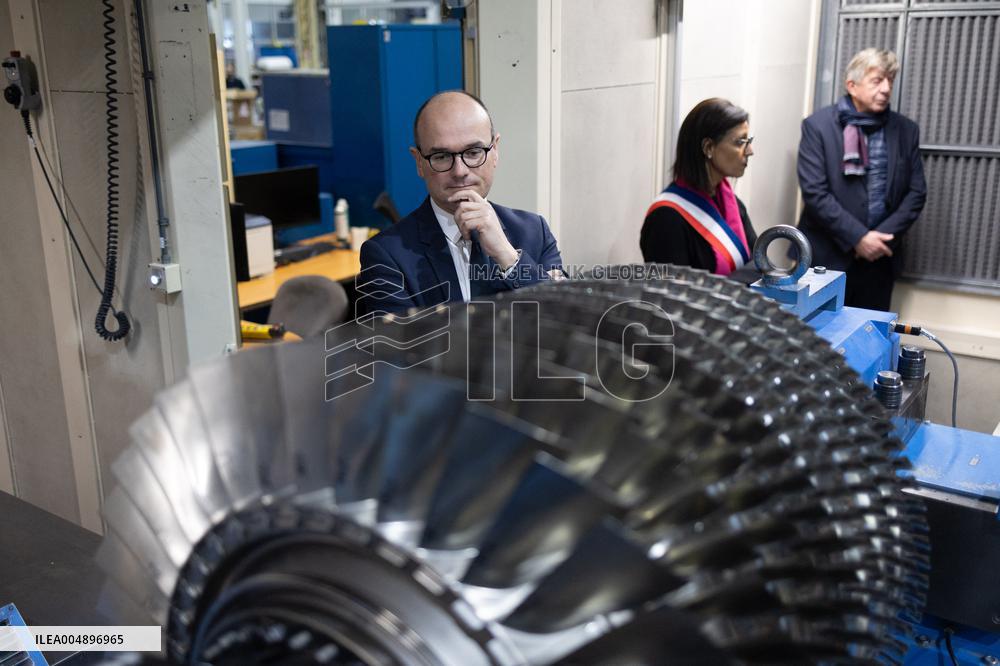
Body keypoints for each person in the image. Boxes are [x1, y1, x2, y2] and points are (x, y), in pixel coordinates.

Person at [358, 91, 564, 315]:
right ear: (419, 162)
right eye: (442, 157)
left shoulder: (535, 232)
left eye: (474, 152)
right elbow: (399, 346)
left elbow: (565, 319)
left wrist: (508, 258)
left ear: (495, 151)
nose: (460, 171)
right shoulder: (386, 256)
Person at [797, 48, 926, 311]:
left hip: (879, 261)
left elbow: (916, 193)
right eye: (877, 80)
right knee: (819, 339)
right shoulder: (818, 126)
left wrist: (877, 240)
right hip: (827, 257)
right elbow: (815, 193)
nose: (887, 88)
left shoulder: (905, 130)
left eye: (890, 80)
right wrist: (858, 237)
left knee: (871, 341)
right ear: (852, 86)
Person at [640, 98, 758, 282]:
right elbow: (675, 297)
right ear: (708, 147)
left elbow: (760, 262)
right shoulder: (666, 220)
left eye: (748, 140)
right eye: (740, 142)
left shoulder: (732, 203)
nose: (749, 150)